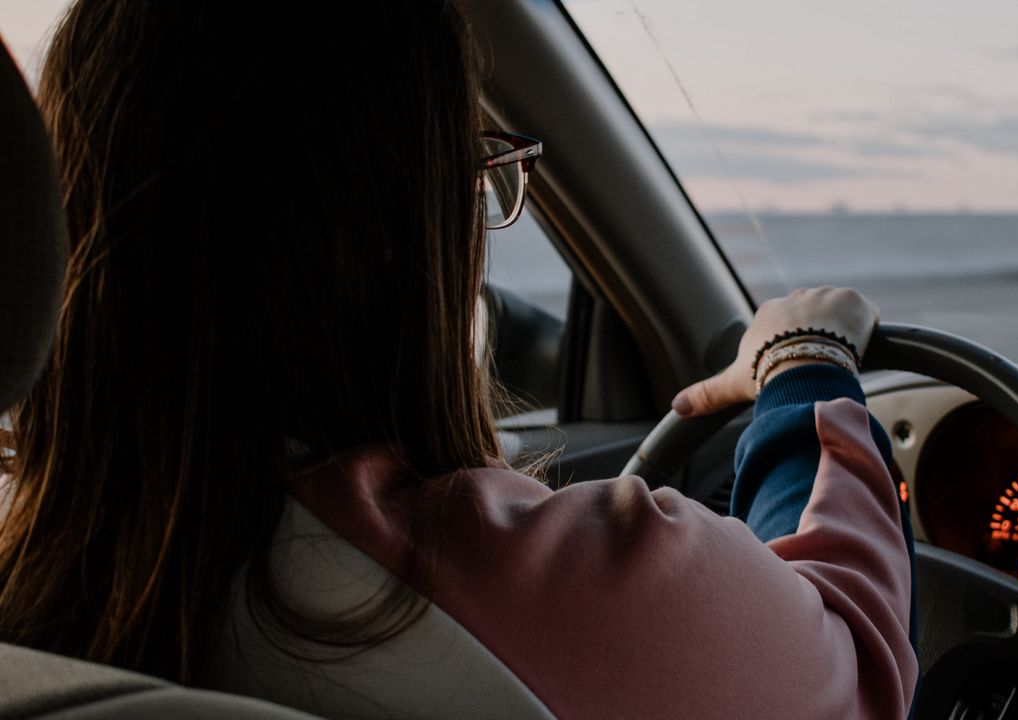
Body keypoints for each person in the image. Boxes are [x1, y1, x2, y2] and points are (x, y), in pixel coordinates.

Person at [0, 0, 917, 718]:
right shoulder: (561, 591)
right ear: (404, 233)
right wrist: (804, 362)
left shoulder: (35, 570)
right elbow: (852, 663)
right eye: (476, 174)